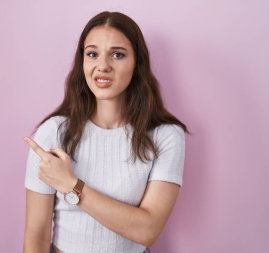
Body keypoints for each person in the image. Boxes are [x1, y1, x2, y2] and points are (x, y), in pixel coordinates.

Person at [22, 11, 189, 253]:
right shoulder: (53, 133)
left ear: (137, 63)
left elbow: (148, 230)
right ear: (83, 62)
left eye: (117, 55)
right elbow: (35, 236)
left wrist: (71, 185)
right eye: (92, 54)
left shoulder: (166, 136)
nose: (102, 66)